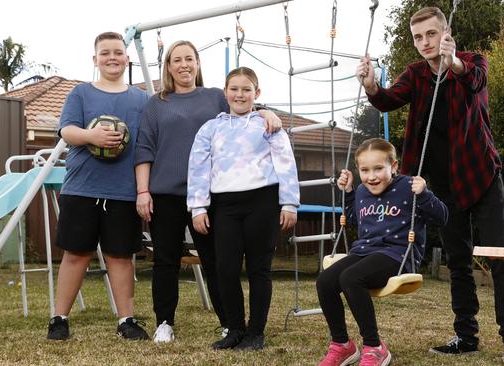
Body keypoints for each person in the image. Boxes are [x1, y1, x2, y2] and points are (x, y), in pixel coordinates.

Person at [356, 6, 504, 363]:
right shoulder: (416, 74)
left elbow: (474, 79)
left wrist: (454, 64)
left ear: (445, 32)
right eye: (418, 37)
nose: (424, 43)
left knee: (500, 257)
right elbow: (388, 100)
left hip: (479, 176)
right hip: (442, 185)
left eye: (430, 34)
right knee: (458, 261)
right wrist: (371, 84)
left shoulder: (471, 61)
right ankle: (466, 336)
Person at [134, 42, 282, 343]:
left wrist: (267, 112)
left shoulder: (215, 96)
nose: (184, 64)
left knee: (216, 260)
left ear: (198, 63)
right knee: (165, 261)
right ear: (168, 66)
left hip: (207, 196)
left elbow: (243, 112)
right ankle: (164, 322)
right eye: (177, 60)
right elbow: (144, 149)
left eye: (189, 58)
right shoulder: (156, 103)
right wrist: (143, 191)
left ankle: (230, 324)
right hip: (166, 195)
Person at [187, 66, 299, 351]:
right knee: (225, 268)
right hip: (224, 205)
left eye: (246, 89)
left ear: (256, 93)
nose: (240, 94)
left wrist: (289, 202)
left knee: (259, 268)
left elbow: (285, 162)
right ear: (225, 93)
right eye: (234, 89)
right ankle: (235, 328)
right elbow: (198, 168)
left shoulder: (268, 124)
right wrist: (198, 207)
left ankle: (255, 333)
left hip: (262, 201)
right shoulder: (210, 129)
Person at [46, 31, 149, 341]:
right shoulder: (80, 93)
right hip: (82, 188)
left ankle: (126, 320)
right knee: (76, 254)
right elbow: (67, 131)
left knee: (120, 256)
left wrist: (143, 189)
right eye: (105, 53)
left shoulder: (141, 99)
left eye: (118, 52)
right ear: (95, 60)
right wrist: (92, 137)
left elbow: (145, 147)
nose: (112, 57)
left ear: (126, 58)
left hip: (123, 191)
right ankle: (59, 319)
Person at [316, 138, 447, 366]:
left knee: (350, 277)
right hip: (365, 251)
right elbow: (356, 219)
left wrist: (425, 194)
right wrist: (347, 192)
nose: (371, 176)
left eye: (378, 168)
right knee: (325, 281)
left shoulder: (409, 187)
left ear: (393, 166)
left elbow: (442, 217)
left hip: (397, 255)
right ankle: (342, 345)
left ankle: (375, 347)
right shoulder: (361, 191)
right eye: (365, 170)